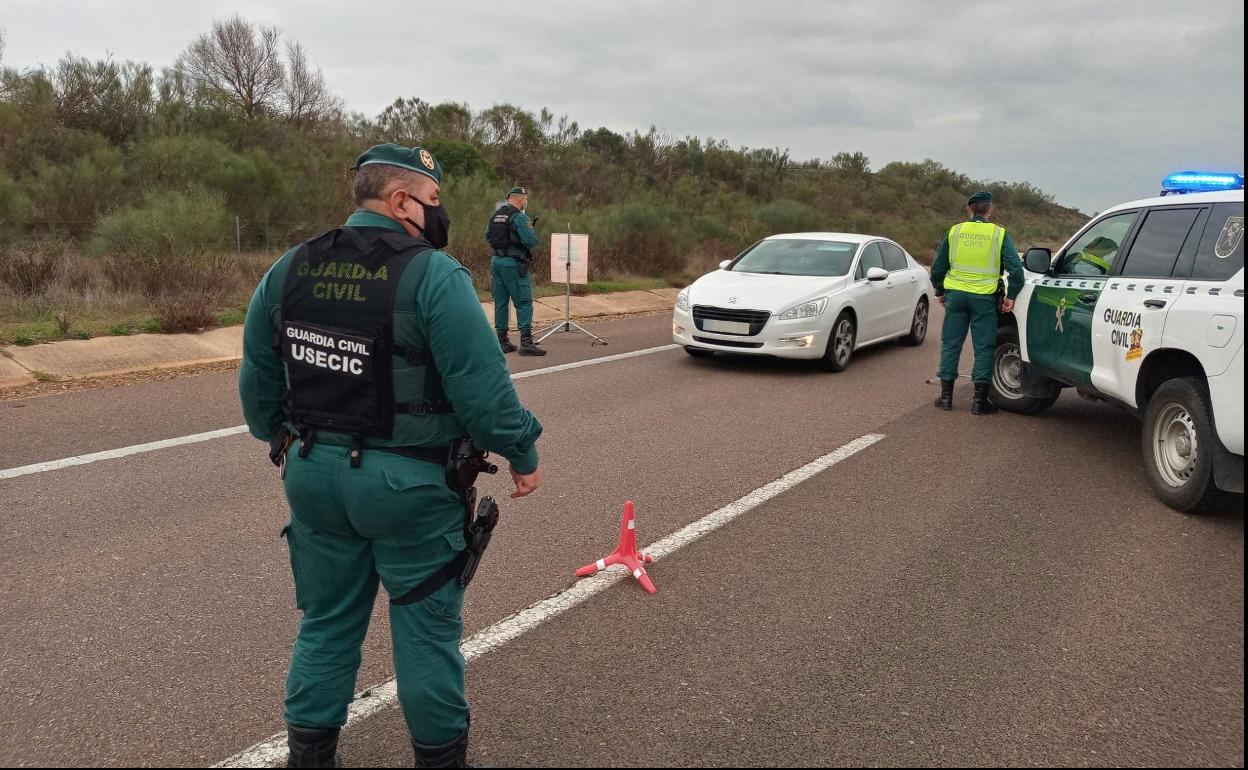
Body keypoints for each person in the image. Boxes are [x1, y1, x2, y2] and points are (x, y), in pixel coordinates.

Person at [238, 143, 543, 768]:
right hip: (412, 489)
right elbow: (485, 393)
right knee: (426, 636)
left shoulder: (288, 269)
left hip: (314, 478)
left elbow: (258, 388)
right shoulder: (435, 275)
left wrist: (286, 442)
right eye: (433, 200)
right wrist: (523, 451)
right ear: (401, 200)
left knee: (325, 626)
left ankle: (310, 757)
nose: (439, 213)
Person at [930, 191, 1025, 415]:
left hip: (957, 297)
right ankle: (979, 402)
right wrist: (1011, 296)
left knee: (951, 344)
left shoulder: (955, 231)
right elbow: (1016, 270)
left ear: (969, 208)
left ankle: (945, 398)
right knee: (984, 347)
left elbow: (938, 268)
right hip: (984, 298)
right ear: (990, 209)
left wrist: (940, 291)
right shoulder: (999, 234)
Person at [486, 186, 545, 356]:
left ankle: (502, 341)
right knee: (524, 301)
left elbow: (488, 236)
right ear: (520, 199)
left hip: (496, 261)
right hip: (513, 263)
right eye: (525, 198)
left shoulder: (496, 215)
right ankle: (526, 343)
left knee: (501, 301)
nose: (526, 201)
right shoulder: (519, 217)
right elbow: (531, 241)